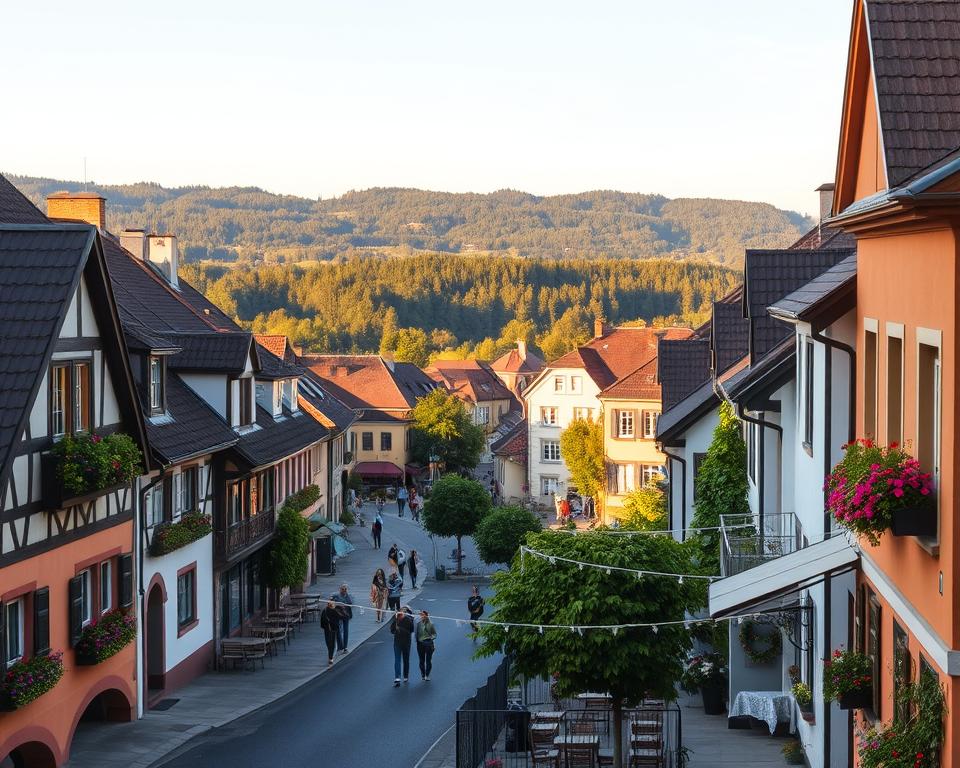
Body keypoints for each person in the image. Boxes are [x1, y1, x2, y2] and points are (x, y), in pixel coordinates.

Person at [390, 608, 415, 686]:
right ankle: (397, 677)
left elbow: (411, 630)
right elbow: (392, 630)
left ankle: (405, 676)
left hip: (406, 643)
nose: (399, 615)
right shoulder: (396, 620)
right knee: (398, 660)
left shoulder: (408, 620)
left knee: (405, 660)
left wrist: (400, 629)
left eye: (400, 613)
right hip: (398, 643)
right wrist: (395, 626)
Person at [416, 609, 438, 681]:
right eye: (420, 615)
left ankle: (427, 675)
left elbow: (434, 633)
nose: (421, 616)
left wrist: (432, 638)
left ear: (426, 615)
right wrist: (417, 641)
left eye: (422, 614)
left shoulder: (430, 624)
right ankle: (423, 674)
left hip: (428, 643)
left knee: (428, 660)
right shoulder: (418, 624)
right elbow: (416, 634)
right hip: (420, 644)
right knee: (421, 660)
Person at [331, 584, 354, 654]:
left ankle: (345, 647)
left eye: (345, 589)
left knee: (345, 630)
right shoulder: (336, 596)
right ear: (340, 589)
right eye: (342, 589)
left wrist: (346, 604)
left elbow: (351, 604)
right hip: (338, 615)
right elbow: (331, 603)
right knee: (337, 630)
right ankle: (340, 646)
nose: (344, 590)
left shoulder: (348, 596)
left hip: (346, 615)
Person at [320, 600, 341, 666]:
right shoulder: (335, 611)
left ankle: (330, 655)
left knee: (328, 642)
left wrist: (325, 626)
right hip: (333, 629)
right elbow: (338, 619)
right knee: (332, 643)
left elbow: (322, 621)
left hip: (327, 629)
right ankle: (330, 657)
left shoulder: (324, 610)